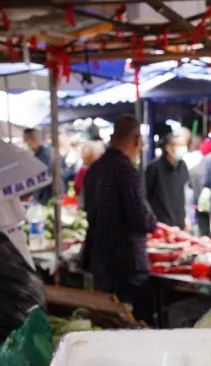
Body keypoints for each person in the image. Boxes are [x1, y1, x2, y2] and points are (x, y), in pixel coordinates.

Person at [81, 115, 157, 322]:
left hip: (101, 261)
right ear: (136, 141)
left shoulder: (95, 169)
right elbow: (140, 218)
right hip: (127, 264)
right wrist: (153, 223)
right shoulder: (126, 170)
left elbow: (89, 210)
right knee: (134, 323)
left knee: (109, 321)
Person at [145, 132, 190, 228]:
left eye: (184, 145)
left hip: (179, 225)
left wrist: (185, 218)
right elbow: (145, 196)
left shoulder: (183, 166)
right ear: (168, 148)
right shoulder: (154, 168)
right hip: (161, 226)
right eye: (180, 145)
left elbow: (183, 192)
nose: (184, 148)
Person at [23, 128, 55, 204]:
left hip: (47, 198)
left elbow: (46, 177)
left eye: (29, 143)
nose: (28, 146)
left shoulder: (45, 155)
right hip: (42, 198)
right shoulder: (37, 155)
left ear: (34, 140)